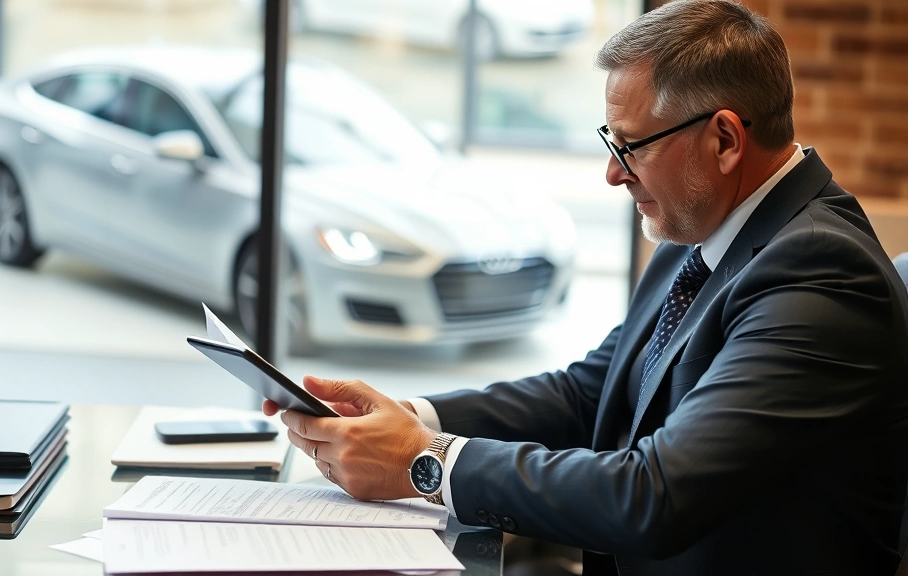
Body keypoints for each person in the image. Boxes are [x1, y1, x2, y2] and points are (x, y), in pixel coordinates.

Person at [264, 1, 908, 573]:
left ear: (725, 140)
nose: (610, 173)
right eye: (610, 141)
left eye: (630, 146)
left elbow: (654, 497)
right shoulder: (701, 234)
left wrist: (422, 460)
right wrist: (409, 419)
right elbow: (589, 393)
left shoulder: (823, 275)